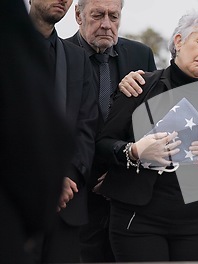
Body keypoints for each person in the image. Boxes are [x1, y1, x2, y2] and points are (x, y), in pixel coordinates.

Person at [94, 8, 198, 261]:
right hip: (137, 222)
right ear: (179, 41)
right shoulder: (140, 85)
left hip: (193, 227)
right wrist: (133, 151)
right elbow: (102, 144)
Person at [65, 0, 156, 261]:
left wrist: (120, 175)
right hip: (75, 192)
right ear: (78, 16)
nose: (106, 24)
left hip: (125, 193)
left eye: (113, 16)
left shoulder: (141, 55)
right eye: (98, 15)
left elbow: (148, 123)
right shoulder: (60, 54)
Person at [0, 0, 73, 262]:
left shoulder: (73, 56)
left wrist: (62, 178)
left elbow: (84, 125)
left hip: (62, 201)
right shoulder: (12, 36)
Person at [29, 0, 99, 262]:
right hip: (13, 205)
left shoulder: (76, 57)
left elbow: (86, 125)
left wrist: (67, 175)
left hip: (66, 208)